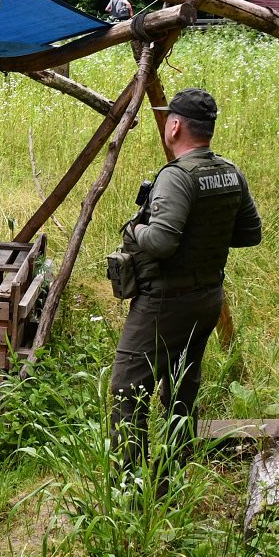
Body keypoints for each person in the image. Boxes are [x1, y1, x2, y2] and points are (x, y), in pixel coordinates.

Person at [111, 87, 261, 475]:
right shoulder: (229, 171)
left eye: (168, 119)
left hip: (165, 302)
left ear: (176, 126)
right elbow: (249, 234)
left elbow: (159, 242)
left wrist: (134, 229)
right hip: (207, 297)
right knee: (181, 387)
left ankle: (129, 485)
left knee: (127, 389)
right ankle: (176, 468)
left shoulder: (177, 177)